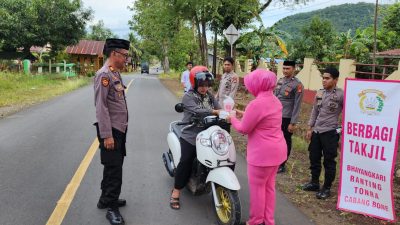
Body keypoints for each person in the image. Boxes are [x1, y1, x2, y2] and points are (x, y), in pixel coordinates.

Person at [228, 69, 287, 225]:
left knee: (258, 189)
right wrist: (243, 113)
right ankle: (268, 220)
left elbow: (243, 129)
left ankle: (255, 221)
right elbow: (261, 118)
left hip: (262, 155)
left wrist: (232, 118)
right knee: (269, 187)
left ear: (256, 85)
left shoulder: (256, 104)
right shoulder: (275, 100)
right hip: (278, 151)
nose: (248, 88)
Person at [170, 66, 221, 210]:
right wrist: (215, 111)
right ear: (195, 83)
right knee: (186, 161)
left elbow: (219, 107)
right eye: (202, 85)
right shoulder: (188, 96)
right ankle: (176, 192)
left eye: (207, 85)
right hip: (191, 134)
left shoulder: (209, 96)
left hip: (208, 133)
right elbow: (198, 111)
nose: (205, 88)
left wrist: (228, 112)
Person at [94, 38, 130, 225]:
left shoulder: (115, 73)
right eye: (124, 56)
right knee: (114, 169)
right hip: (112, 131)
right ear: (114, 54)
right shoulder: (104, 75)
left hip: (119, 129)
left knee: (112, 166)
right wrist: (107, 135)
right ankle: (112, 208)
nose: (127, 59)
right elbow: (101, 107)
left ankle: (105, 199)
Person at [302, 67, 344, 200]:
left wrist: (342, 130)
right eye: (323, 78)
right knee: (314, 158)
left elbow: (348, 112)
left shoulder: (341, 94)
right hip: (317, 131)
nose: (324, 80)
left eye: (327, 78)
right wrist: (310, 128)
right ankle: (314, 183)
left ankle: (326, 188)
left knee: (329, 161)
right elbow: (314, 111)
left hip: (330, 133)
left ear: (335, 80)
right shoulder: (319, 93)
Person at [274, 60, 304, 173]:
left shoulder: (298, 85)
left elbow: (297, 105)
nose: (285, 71)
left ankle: (282, 164)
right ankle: (275, 160)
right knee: (275, 140)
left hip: (287, 117)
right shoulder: (280, 81)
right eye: (284, 68)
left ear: (294, 69)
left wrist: (293, 122)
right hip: (276, 116)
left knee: (285, 141)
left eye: (288, 68)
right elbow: (275, 96)